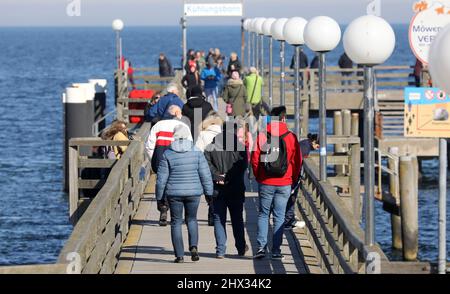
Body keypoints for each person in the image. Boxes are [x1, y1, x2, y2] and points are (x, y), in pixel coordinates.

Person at [156, 124, 214, 263]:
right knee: (192, 219)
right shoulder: (197, 152)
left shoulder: (167, 153)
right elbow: (205, 175)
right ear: (189, 135)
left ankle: (179, 255)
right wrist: (209, 193)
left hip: (173, 193)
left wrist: (159, 198)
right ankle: (193, 247)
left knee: (176, 222)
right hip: (194, 192)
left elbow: (161, 180)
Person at [251, 106, 302, 260]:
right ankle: (276, 251)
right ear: (284, 118)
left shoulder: (262, 135)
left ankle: (261, 248)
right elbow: (297, 161)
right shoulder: (291, 137)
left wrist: (259, 176)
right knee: (279, 216)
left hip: (266, 181)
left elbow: (254, 159)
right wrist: (292, 180)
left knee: (263, 214)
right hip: (284, 182)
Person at [204, 121, 249, 258]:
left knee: (219, 219)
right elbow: (242, 167)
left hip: (217, 188)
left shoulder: (210, 147)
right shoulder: (240, 147)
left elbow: (207, 166)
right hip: (235, 187)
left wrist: (218, 176)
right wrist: (228, 177)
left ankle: (220, 250)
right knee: (237, 219)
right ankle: (241, 247)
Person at [145, 105, 192, 226]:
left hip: (160, 160)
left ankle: (163, 208)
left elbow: (149, 146)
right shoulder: (184, 126)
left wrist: (154, 160)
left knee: (162, 184)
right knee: (177, 183)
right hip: (178, 161)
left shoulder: (158, 125)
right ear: (176, 113)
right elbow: (189, 145)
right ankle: (178, 213)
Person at [284, 134, 319, 230]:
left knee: (290, 197)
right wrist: (299, 176)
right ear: (313, 142)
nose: (317, 148)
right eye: (318, 146)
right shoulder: (305, 147)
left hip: (290, 174)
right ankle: (288, 221)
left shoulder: (304, 143)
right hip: (292, 175)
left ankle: (288, 218)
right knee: (291, 197)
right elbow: (298, 162)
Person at [195, 112, 224, 226]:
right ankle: (217, 213)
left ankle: (212, 213)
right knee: (219, 191)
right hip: (221, 167)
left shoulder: (203, 135)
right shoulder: (223, 134)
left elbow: (198, 151)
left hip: (206, 167)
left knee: (209, 190)